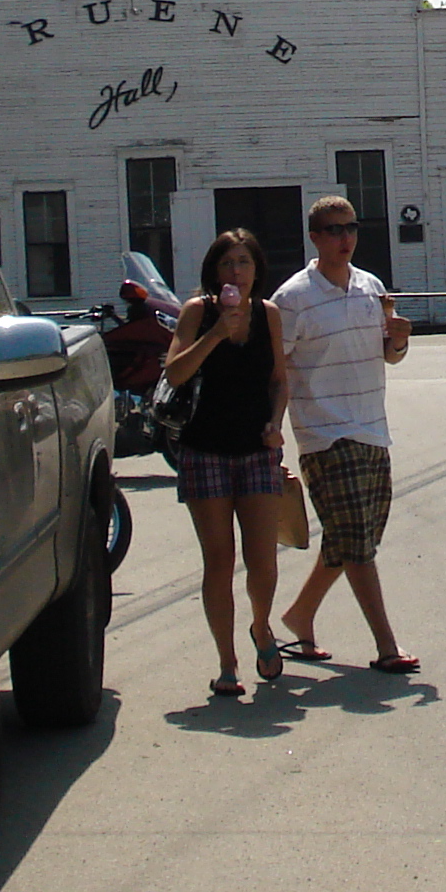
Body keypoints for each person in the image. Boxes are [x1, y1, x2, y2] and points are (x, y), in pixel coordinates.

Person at [271, 193, 416, 673]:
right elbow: (276, 371)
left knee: (353, 535)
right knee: (355, 540)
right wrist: (271, 431)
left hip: (373, 427)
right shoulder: (292, 299)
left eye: (351, 228)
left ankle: (300, 614)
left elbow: (389, 355)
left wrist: (398, 340)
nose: (345, 238)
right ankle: (387, 646)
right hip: (324, 434)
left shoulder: (371, 287)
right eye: (334, 230)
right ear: (315, 237)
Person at [163, 227, 288, 696]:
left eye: (244, 262)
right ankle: (227, 662)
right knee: (219, 560)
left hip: (256, 449)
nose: (236, 272)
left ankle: (261, 626)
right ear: (214, 272)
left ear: (257, 270)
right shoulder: (198, 312)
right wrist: (216, 333)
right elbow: (175, 372)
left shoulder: (268, 315)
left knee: (263, 561)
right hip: (205, 450)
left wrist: (275, 421)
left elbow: (279, 380)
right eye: (227, 263)